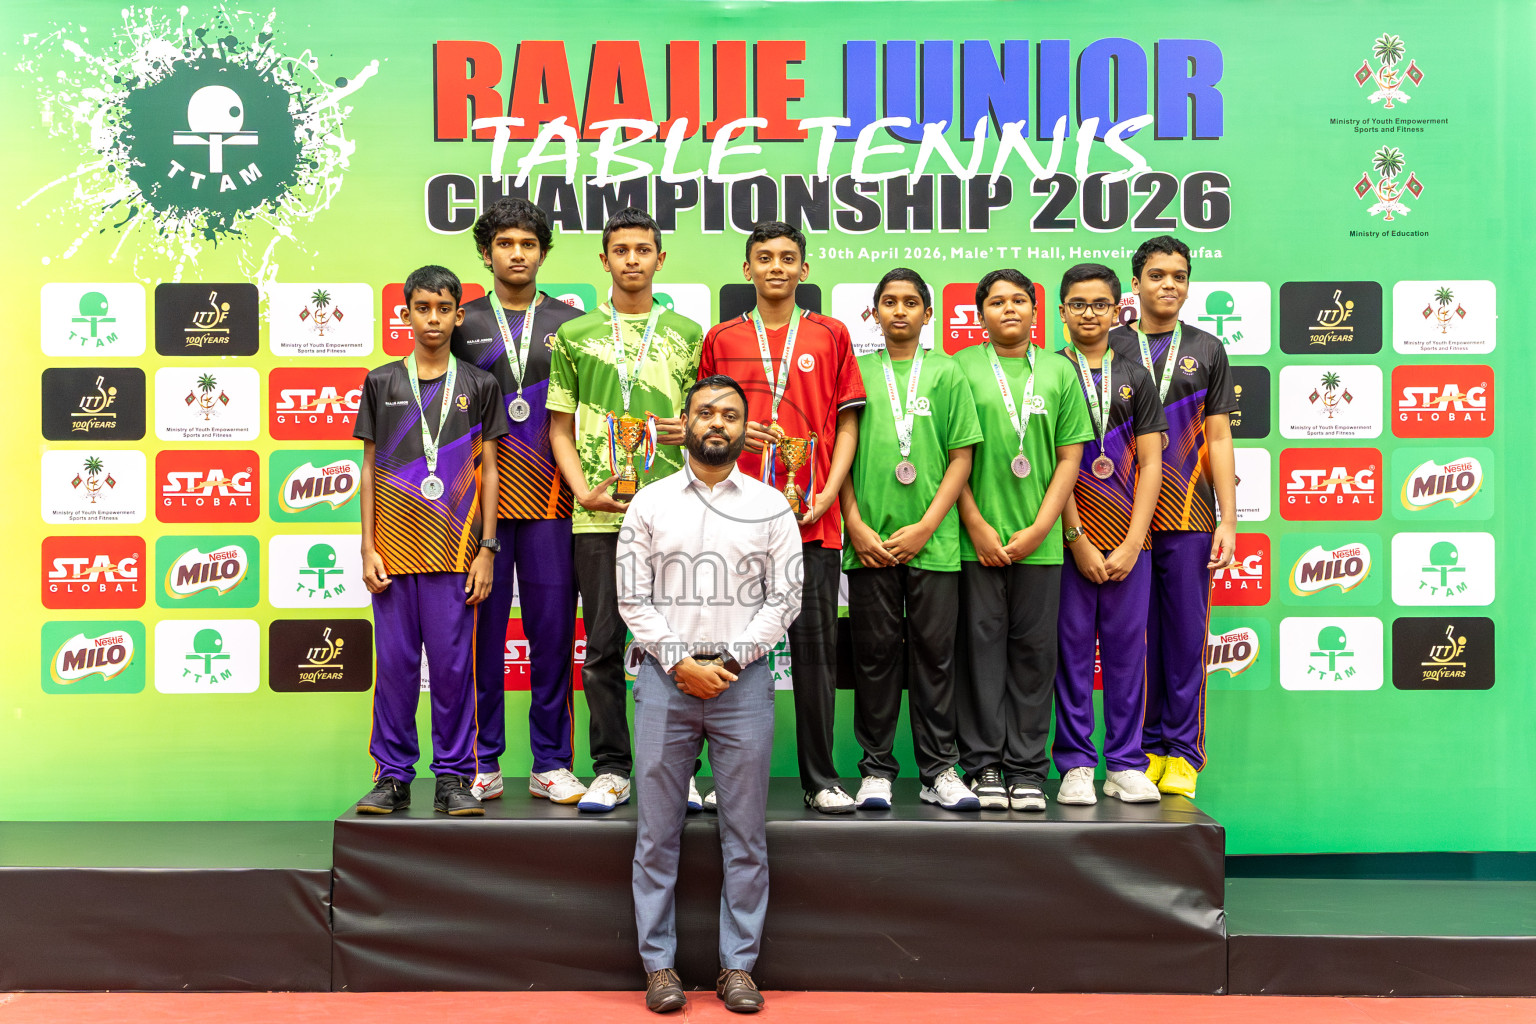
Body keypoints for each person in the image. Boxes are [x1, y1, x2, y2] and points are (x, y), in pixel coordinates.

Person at [617, 374, 801, 1014]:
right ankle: (659, 968)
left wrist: (727, 660)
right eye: (705, 412)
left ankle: (738, 968)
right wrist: (679, 662)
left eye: (729, 414)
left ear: (746, 429)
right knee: (655, 836)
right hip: (664, 684)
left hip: (742, 686)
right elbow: (631, 597)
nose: (717, 422)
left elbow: (786, 598)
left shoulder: (772, 506)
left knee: (745, 836)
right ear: (686, 423)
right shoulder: (649, 503)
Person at [698, 221, 865, 814]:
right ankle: (723, 778)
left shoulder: (831, 333)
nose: (776, 267)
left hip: (812, 519)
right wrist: (737, 434)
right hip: (734, 522)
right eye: (764, 257)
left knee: (815, 655)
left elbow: (847, 423)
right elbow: (705, 422)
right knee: (728, 651)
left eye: (787, 257)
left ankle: (821, 779)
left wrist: (830, 491)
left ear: (804, 269)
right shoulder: (721, 338)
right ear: (747, 269)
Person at [548, 207, 704, 813]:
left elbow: (710, 422)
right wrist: (581, 490)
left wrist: (690, 429)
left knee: (683, 645)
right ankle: (612, 769)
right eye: (621, 250)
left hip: (676, 513)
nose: (632, 259)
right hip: (599, 514)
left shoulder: (688, 333)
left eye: (643, 249)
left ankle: (682, 772)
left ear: (660, 259)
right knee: (603, 649)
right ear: (604, 259)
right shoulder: (575, 334)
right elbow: (559, 428)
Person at [353, 265, 509, 817]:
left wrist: (487, 549)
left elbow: (490, 471)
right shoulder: (381, 382)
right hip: (394, 554)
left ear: (459, 315)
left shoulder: (480, 385)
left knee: (451, 671)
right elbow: (368, 468)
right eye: (423, 308)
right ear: (406, 314)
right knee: (395, 670)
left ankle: (453, 778)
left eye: (444, 309)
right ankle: (393, 778)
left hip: (456, 553)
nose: (433, 318)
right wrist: (368, 547)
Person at [452, 198, 587, 805]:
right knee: (480, 637)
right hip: (476, 508)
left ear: (543, 252)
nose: (517, 254)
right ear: (487, 253)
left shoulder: (573, 324)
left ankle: (551, 763)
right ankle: (483, 761)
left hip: (553, 505)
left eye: (528, 244)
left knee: (552, 637)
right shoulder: (461, 322)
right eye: (505, 244)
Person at [841, 269, 982, 812]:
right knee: (874, 659)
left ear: (928, 312)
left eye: (910, 302)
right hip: (869, 543)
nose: (899, 311)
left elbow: (961, 457)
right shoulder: (855, 371)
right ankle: (876, 770)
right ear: (874, 312)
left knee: (935, 659)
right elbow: (839, 454)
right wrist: (854, 523)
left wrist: (926, 525)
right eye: (889, 301)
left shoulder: (947, 372)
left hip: (935, 544)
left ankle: (939, 770)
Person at [953, 269, 1092, 812]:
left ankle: (1028, 768)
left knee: (1034, 657)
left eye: (1019, 300)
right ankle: (984, 764)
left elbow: (1069, 458)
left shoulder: (1058, 370)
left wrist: (1040, 527)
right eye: (996, 302)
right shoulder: (960, 368)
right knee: (980, 655)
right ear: (980, 313)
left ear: (1036, 311)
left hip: (1042, 542)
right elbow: (951, 456)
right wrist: (976, 524)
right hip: (975, 541)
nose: (1008, 309)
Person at [1109, 236, 1237, 800]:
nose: (1169, 284)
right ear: (1135, 283)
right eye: (1157, 274)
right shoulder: (1109, 344)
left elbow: (1219, 436)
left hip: (1188, 513)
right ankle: (1137, 752)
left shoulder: (1207, 348)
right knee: (1131, 643)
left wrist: (1228, 520)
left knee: (1184, 638)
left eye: (1179, 276)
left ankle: (1181, 752)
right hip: (1119, 518)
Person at [1053, 263, 1167, 806]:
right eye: (1078, 304)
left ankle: (1124, 763)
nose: (1089, 313)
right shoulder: (1050, 372)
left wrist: (1133, 541)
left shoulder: (1136, 376)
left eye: (1100, 304)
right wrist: (1076, 537)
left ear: (1119, 310)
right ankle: (1076, 763)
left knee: (1126, 655)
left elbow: (1152, 463)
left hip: (1129, 542)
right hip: (1066, 540)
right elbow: (1053, 464)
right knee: (1071, 653)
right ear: (1062, 311)